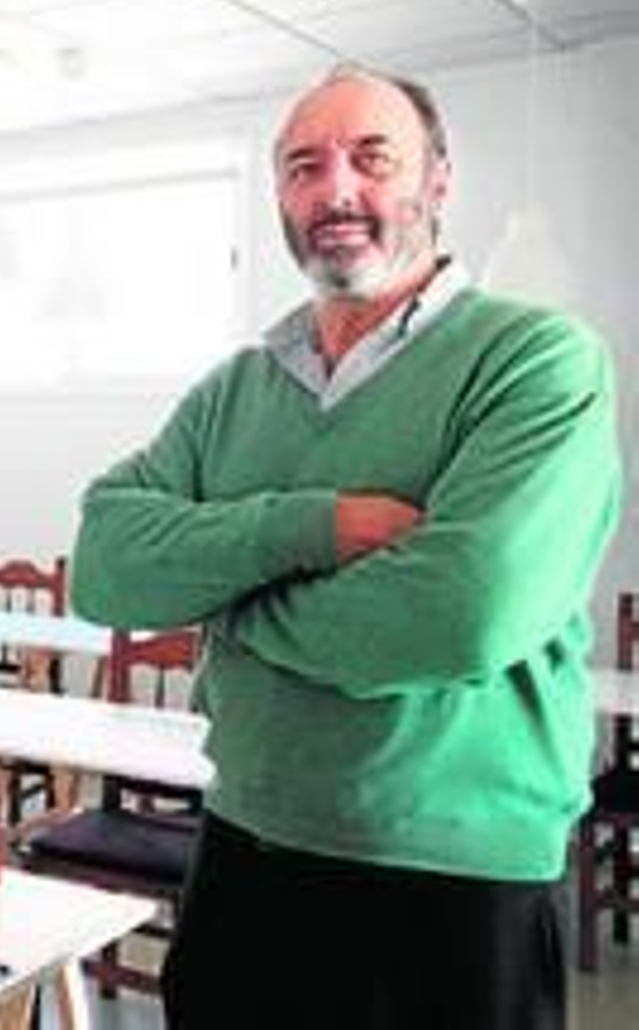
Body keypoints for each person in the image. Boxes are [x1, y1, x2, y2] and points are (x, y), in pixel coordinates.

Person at [70, 65, 622, 1030]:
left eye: (373, 158)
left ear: (437, 181)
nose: (336, 191)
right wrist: (310, 527)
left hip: (454, 881)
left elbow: (459, 614)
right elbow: (106, 566)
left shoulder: (537, 361)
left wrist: (226, 605)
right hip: (244, 851)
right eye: (303, 166)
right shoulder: (233, 391)